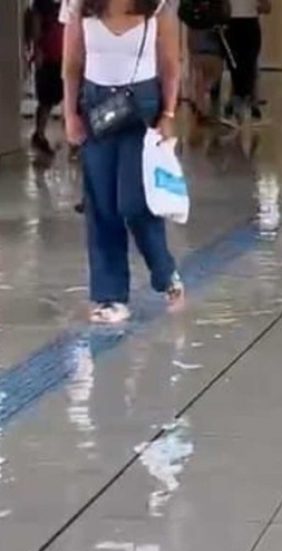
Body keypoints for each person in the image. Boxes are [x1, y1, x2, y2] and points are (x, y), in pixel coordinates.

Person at [61, 0, 184, 324]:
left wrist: (169, 113)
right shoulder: (80, 6)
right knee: (101, 204)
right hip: (96, 106)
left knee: (133, 201)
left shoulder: (157, 7)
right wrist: (70, 113)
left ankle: (164, 269)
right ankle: (110, 296)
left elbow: (171, 64)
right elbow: (72, 62)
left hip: (141, 107)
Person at [25, 0, 66, 156]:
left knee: (68, 96)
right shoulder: (41, 5)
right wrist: (37, 49)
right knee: (46, 98)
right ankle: (39, 135)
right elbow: (35, 26)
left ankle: (70, 137)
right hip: (49, 55)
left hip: (63, 53)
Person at [225, 0, 270, 123]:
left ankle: (243, 100)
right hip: (236, 22)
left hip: (244, 22)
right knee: (239, 65)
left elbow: (266, 7)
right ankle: (240, 100)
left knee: (245, 64)